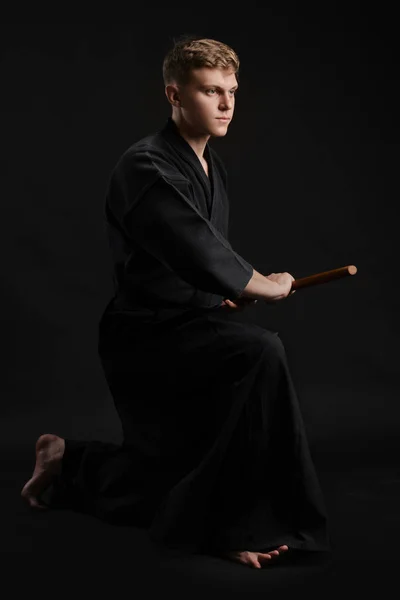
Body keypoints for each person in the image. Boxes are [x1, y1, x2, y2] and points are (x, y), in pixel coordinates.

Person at [21, 36, 329, 569]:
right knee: (260, 354)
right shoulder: (145, 166)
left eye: (232, 91)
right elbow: (196, 246)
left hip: (191, 323)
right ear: (175, 95)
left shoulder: (212, 168)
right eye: (212, 91)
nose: (228, 103)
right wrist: (261, 283)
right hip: (146, 337)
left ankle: (69, 459)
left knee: (165, 479)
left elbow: (193, 264)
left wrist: (226, 300)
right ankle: (239, 524)